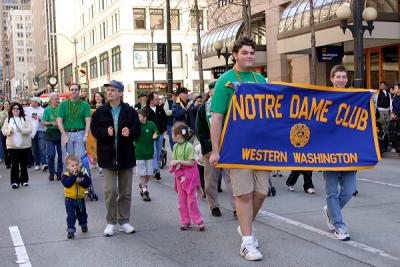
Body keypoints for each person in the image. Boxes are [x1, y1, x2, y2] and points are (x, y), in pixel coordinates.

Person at [209, 36, 270, 261]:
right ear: (235, 55)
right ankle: (247, 241)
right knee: (243, 194)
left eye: (252, 52)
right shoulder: (225, 81)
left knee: (261, 193)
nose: (249, 56)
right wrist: (216, 150)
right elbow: (216, 118)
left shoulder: (260, 79)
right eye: (244, 52)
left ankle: (245, 226)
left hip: (261, 147)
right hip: (236, 147)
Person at [91, 80, 141, 237]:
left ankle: (124, 221)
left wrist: (130, 132)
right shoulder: (100, 112)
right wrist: (106, 132)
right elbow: (95, 131)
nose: (109, 92)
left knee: (125, 192)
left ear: (120, 93)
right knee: (110, 191)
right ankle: (111, 222)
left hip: (126, 155)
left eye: (113, 90)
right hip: (107, 156)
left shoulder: (129, 111)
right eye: (108, 90)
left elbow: (137, 129)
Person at [322, 64, 357, 241]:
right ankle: (339, 225)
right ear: (332, 78)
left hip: (349, 151)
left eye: (344, 77)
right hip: (329, 152)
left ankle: (331, 211)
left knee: (349, 191)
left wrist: (371, 101)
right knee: (331, 192)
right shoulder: (324, 97)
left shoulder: (354, 97)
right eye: (338, 77)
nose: (341, 80)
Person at [195, 81, 235, 217]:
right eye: (214, 90)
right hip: (211, 148)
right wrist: (207, 148)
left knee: (232, 180)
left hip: (228, 146)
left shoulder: (229, 104)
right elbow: (200, 130)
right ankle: (213, 205)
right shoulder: (203, 108)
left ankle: (237, 207)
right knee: (211, 180)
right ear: (210, 91)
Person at [169, 122, 205, 231]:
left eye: (172, 134)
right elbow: (174, 161)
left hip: (189, 177)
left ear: (178, 135)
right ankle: (185, 221)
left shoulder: (189, 147)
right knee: (181, 201)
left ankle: (198, 221)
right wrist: (175, 163)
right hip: (180, 176)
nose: (171, 136)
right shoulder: (175, 146)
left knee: (191, 200)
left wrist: (178, 161)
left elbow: (191, 163)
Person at [57, 83, 91, 164]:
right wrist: (64, 134)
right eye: (72, 89)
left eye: (76, 89)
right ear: (69, 91)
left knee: (79, 157)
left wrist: (86, 135)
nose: (74, 91)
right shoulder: (63, 104)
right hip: (67, 133)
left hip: (80, 133)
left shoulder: (85, 104)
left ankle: (80, 176)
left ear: (79, 91)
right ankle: (67, 176)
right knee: (67, 158)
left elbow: (88, 121)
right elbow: (59, 120)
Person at [1, 102, 32, 189]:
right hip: (12, 145)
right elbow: (3, 131)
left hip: (24, 145)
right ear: (11, 110)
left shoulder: (26, 118)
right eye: (14, 108)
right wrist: (10, 131)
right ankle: (14, 182)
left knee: (23, 164)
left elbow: (30, 129)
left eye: (17, 108)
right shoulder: (8, 119)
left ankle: (24, 181)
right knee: (14, 164)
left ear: (20, 109)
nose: (16, 110)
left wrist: (21, 130)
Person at [61, 155, 91, 239]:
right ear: (67, 166)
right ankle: (71, 230)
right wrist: (74, 177)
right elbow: (67, 184)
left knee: (82, 214)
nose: (75, 167)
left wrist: (81, 181)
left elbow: (88, 183)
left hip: (80, 199)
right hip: (69, 199)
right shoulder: (65, 175)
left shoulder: (82, 173)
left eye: (77, 165)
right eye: (72, 165)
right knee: (71, 216)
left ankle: (83, 224)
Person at [135, 109, 158, 201]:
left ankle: (142, 184)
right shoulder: (136, 126)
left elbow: (156, 132)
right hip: (139, 154)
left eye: (139, 117)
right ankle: (145, 191)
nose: (137, 118)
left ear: (144, 117)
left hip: (149, 153)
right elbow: (133, 136)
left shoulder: (151, 124)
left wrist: (156, 135)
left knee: (149, 173)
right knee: (142, 173)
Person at [145, 92, 167, 180]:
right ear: (151, 100)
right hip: (150, 135)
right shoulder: (146, 110)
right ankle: (155, 170)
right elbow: (143, 122)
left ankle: (155, 167)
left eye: (158, 99)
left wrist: (164, 128)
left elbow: (165, 119)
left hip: (160, 133)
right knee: (153, 152)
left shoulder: (160, 109)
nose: (158, 101)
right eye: (156, 99)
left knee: (158, 152)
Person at [43, 92, 63, 181]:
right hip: (50, 133)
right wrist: (52, 123)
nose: (57, 100)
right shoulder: (47, 110)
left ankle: (59, 173)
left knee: (61, 155)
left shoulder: (61, 108)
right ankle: (51, 172)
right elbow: (44, 122)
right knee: (51, 154)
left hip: (60, 133)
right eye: (55, 99)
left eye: (58, 99)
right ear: (51, 100)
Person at [25, 97, 47, 171]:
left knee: (42, 147)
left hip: (41, 130)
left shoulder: (43, 110)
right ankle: (37, 163)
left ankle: (44, 163)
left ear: (37, 103)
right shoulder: (28, 109)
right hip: (31, 131)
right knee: (34, 148)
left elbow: (45, 121)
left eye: (33, 101)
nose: (31, 102)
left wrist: (39, 118)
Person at [0, 100, 11, 168]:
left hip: (11, 132)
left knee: (11, 147)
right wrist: (3, 119)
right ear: (3, 105)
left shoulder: (12, 112)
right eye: (5, 104)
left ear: (9, 105)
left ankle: (13, 161)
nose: (6, 105)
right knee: (5, 147)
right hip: (3, 131)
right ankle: (7, 163)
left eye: (7, 104)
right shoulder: (1, 113)